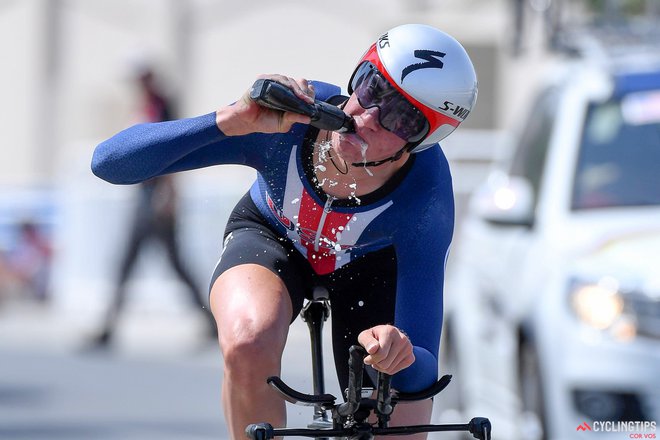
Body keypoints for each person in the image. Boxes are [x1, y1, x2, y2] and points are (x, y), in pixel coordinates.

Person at [92, 24, 477, 439]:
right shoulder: (292, 118)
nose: (367, 117)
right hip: (271, 236)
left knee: (392, 409)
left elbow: (422, 365)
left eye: (401, 117)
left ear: (422, 140)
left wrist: (400, 353)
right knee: (248, 341)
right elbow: (109, 163)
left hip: (371, 263)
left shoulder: (427, 196)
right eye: (370, 88)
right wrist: (229, 121)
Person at [91, 67, 216, 348]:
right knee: (138, 260)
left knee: (162, 261)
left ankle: (211, 321)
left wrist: (168, 194)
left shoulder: (162, 105)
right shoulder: (147, 104)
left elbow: (172, 152)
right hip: (146, 193)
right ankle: (109, 325)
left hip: (156, 195)